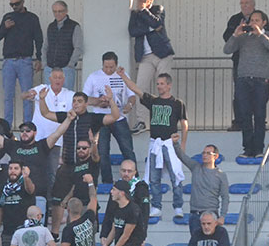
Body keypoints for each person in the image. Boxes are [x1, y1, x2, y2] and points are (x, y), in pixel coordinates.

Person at [40, 88, 119, 235]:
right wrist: (42, 99)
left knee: (85, 198)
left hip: (87, 165)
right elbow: (45, 113)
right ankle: (55, 233)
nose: (76, 103)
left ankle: (89, 230)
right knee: (57, 198)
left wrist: (111, 100)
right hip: (68, 164)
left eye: (80, 101)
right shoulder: (67, 116)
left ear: (86, 104)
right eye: (74, 101)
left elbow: (115, 116)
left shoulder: (93, 118)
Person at [0, 107, 73, 213]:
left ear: (35, 133)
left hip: (38, 195)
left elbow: (57, 133)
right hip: (17, 196)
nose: (24, 133)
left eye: (28, 131)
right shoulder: (13, 145)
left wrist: (68, 119)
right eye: (22, 131)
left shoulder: (42, 145)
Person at [117, 66, 187, 219]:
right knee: (154, 177)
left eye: (162, 83)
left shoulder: (177, 103)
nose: (159, 86)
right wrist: (123, 76)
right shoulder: (153, 101)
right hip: (155, 143)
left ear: (169, 85)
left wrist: (182, 144)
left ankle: (178, 206)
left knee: (176, 176)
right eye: (158, 84)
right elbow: (136, 89)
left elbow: (184, 123)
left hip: (169, 143)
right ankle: (156, 206)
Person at [224, 10, 269, 159]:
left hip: (261, 80)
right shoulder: (243, 38)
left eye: (257, 20)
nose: (253, 23)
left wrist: (260, 34)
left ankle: (259, 149)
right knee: (245, 115)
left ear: (264, 22)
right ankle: (248, 149)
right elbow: (227, 50)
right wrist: (236, 34)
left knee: (260, 115)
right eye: (251, 20)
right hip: (243, 79)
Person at [83, 52, 137, 185]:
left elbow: (132, 95)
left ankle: (134, 180)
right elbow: (84, 98)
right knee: (102, 151)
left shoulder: (123, 76)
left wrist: (129, 105)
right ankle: (107, 182)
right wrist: (98, 101)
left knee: (127, 149)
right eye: (106, 67)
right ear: (102, 64)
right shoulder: (93, 77)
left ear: (116, 65)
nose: (108, 70)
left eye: (111, 67)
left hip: (119, 118)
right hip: (100, 119)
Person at [128, 0, 175, 135]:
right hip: (145, 56)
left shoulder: (157, 9)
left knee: (163, 86)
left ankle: (166, 118)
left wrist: (144, 11)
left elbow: (156, 22)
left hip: (162, 53)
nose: (141, 1)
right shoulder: (134, 15)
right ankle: (141, 121)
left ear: (150, 0)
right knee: (140, 87)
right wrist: (149, 29)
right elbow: (132, 31)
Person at [0, 0, 42, 128]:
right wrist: (5, 27)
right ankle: (8, 127)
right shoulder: (7, 17)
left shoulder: (32, 18)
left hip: (25, 60)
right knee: (8, 96)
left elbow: (38, 39)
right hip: (9, 60)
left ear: (23, 2)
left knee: (28, 96)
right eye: (12, 4)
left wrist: (38, 58)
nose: (14, 6)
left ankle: (28, 126)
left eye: (17, 4)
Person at [223, 0, 269, 132]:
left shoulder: (262, 17)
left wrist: (257, 31)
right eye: (242, 3)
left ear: (253, 5)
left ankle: (259, 122)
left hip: (260, 66)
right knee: (239, 94)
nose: (244, 6)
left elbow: (267, 40)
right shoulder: (234, 19)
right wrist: (239, 32)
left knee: (260, 97)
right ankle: (239, 121)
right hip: (240, 61)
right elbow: (226, 38)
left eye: (247, 3)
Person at [22, 69, 74, 192]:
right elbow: (23, 96)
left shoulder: (69, 94)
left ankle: (50, 206)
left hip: (56, 142)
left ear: (64, 80)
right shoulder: (42, 88)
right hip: (38, 139)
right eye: (55, 77)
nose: (57, 80)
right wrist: (29, 94)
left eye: (60, 77)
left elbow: (86, 100)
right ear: (50, 79)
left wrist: (103, 101)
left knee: (52, 174)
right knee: (34, 171)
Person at [173, 135, 230, 234]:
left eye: (208, 153)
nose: (205, 155)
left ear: (215, 156)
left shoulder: (221, 175)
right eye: (203, 153)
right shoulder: (195, 167)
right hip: (195, 215)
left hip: (211, 214)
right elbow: (182, 156)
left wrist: (222, 216)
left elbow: (225, 197)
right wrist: (175, 143)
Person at [0, 162, 36, 246]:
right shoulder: (3, 188)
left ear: (21, 171)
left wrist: (26, 177)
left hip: (25, 232)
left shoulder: (25, 183)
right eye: (10, 168)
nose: (13, 171)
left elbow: (31, 190)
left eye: (16, 168)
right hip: (8, 233)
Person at [45, 1, 82, 91]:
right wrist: (45, 64)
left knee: (67, 97)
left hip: (66, 69)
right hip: (50, 68)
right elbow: (45, 46)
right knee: (49, 97)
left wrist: (70, 65)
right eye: (55, 11)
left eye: (60, 11)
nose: (57, 14)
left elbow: (78, 47)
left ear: (66, 11)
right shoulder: (51, 26)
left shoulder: (74, 26)